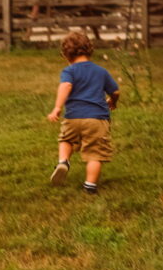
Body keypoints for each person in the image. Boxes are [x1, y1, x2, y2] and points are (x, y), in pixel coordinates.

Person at [46, 31, 119, 194]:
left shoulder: (69, 71)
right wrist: (113, 101)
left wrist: (57, 108)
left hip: (72, 117)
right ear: (90, 50)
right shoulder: (101, 71)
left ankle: (63, 161)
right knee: (95, 154)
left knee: (66, 139)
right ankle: (90, 185)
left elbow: (65, 86)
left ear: (65, 54)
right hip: (97, 119)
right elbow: (115, 91)